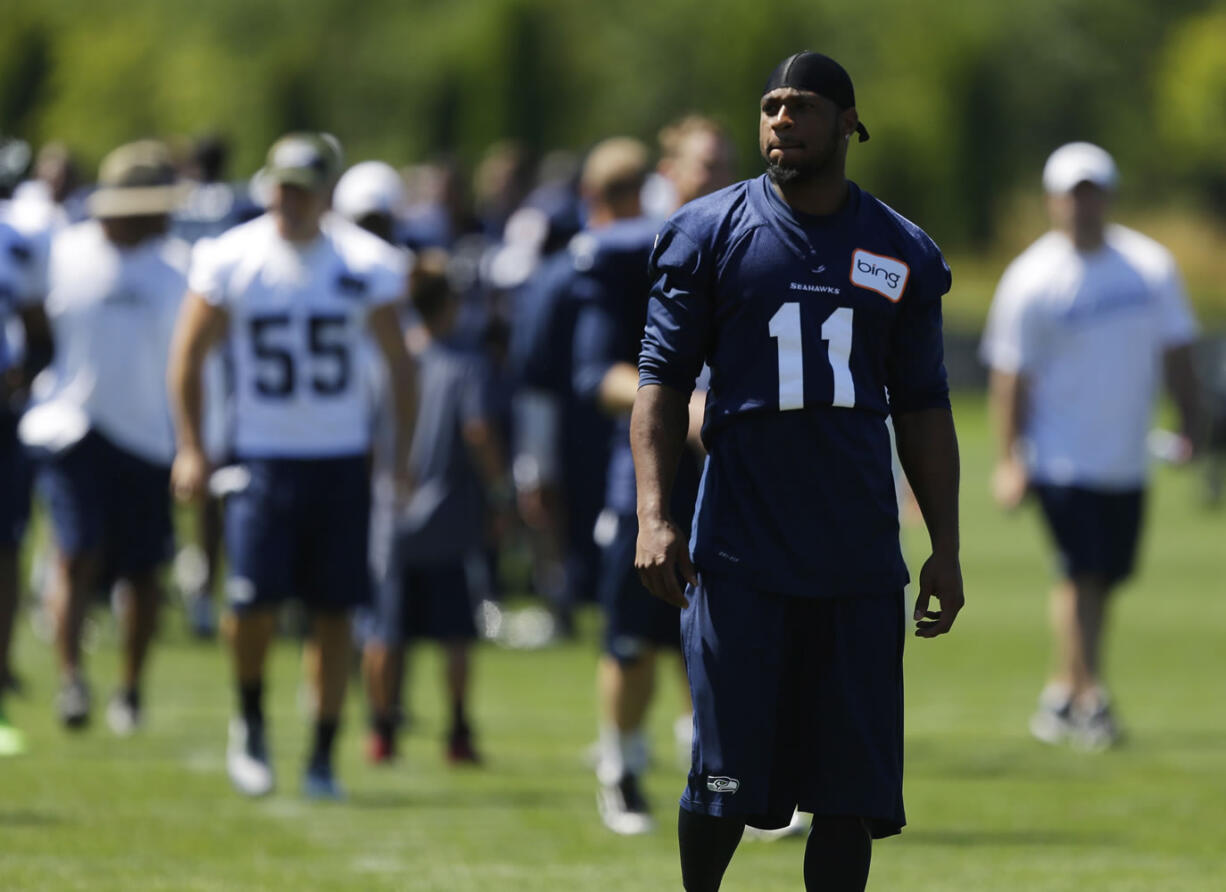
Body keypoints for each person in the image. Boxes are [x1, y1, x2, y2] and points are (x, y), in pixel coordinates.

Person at [631, 52, 964, 891]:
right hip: (743, 552)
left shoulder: (898, 249)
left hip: (855, 557)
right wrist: (655, 515)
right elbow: (661, 388)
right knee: (722, 781)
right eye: (772, 105)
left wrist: (948, 547)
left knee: (850, 796)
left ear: (849, 123)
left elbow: (924, 410)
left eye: (803, 106)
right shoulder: (710, 232)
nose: (782, 119)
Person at [167, 132, 415, 799]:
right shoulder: (233, 256)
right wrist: (192, 445)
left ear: (327, 192)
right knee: (251, 603)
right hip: (262, 454)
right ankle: (249, 720)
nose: (289, 199)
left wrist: (401, 455)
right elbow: (188, 354)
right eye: (281, 185)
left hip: (340, 457)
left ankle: (323, 753)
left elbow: (399, 364)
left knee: (335, 613)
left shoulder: (365, 261)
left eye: (304, 187)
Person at [980, 141, 1200, 751]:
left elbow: (1178, 351)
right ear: (1053, 201)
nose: (1083, 206)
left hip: (1126, 453)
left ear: (1108, 196)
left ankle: (1059, 694)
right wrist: (1009, 459)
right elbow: (1009, 376)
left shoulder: (1150, 267)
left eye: (1092, 193)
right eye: (1072, 195)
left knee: (1102, 577)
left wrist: (1192, 422)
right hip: (1060, 453)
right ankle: (1090, 698)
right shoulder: (1031, 278)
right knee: (1079, 573)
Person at [573, 128, 734, 836]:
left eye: (728, 166)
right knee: (634, 639)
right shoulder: (632, 251)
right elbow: (595, 373)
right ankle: (623, 767)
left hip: (735, 480)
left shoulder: (764, 243)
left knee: (732, 643)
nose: (719, 177)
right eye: (705, 165)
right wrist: (682, 407)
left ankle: (731, 783)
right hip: (650, 476)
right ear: (669, 173)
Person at [23, 141, 187, 735]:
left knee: (143, 572)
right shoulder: (63, 253)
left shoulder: (178, 267)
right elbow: (30, 316)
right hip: (75, 426)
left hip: (148, 435)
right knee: (75, 551)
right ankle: (71, 679)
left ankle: (130, 689)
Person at [363, 252, 509, 764]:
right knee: (454, 636)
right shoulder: (465, 363)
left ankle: (381, 730)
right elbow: (479, 430)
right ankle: (458, 733)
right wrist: (499, 492)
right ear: (448, 303)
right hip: (448, 518)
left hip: (391, 518)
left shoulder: (390, 361)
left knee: (386, 632)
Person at [0, 216, 51, 755]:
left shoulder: (16, 241)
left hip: (1, 419)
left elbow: (39, 336)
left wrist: (19, 382)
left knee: (6, 547)